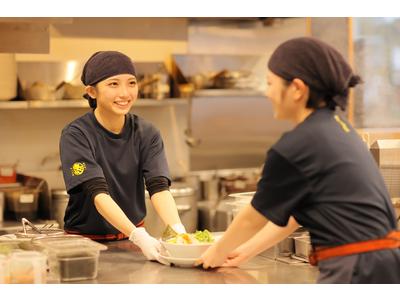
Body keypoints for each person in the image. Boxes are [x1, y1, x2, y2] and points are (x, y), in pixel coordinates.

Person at [196, 37, 400, 283]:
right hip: (381, 262)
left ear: (297, 89)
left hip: (356, 268)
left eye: (270, 83)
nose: (267, 92)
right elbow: (294, 215)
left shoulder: (298, 144)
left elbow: (253, 217)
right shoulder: (336, 126)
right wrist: (245, 250)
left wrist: (215, 253)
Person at [59, 51, 186, 265]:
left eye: (131, 83)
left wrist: (178, 230)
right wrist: (138, 235)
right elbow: (97, 194)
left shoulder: (147, 133)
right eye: (113, 84)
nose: (125, 93)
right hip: (86, 245)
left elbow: (159, 187)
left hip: (133, 242)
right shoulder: (76, 134)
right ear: (92, 91)